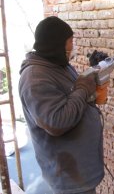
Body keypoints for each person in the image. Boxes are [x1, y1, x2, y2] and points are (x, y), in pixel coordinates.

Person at [18, 16, 104, 194]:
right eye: (70, 42)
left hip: (80, 169)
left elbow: (72, 95)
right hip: (68, 175)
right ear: (56, 44)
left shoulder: (58, 65)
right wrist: (82, 88)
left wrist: (93, 70)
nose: (72, 47)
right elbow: (57, 122)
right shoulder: (35, 78)